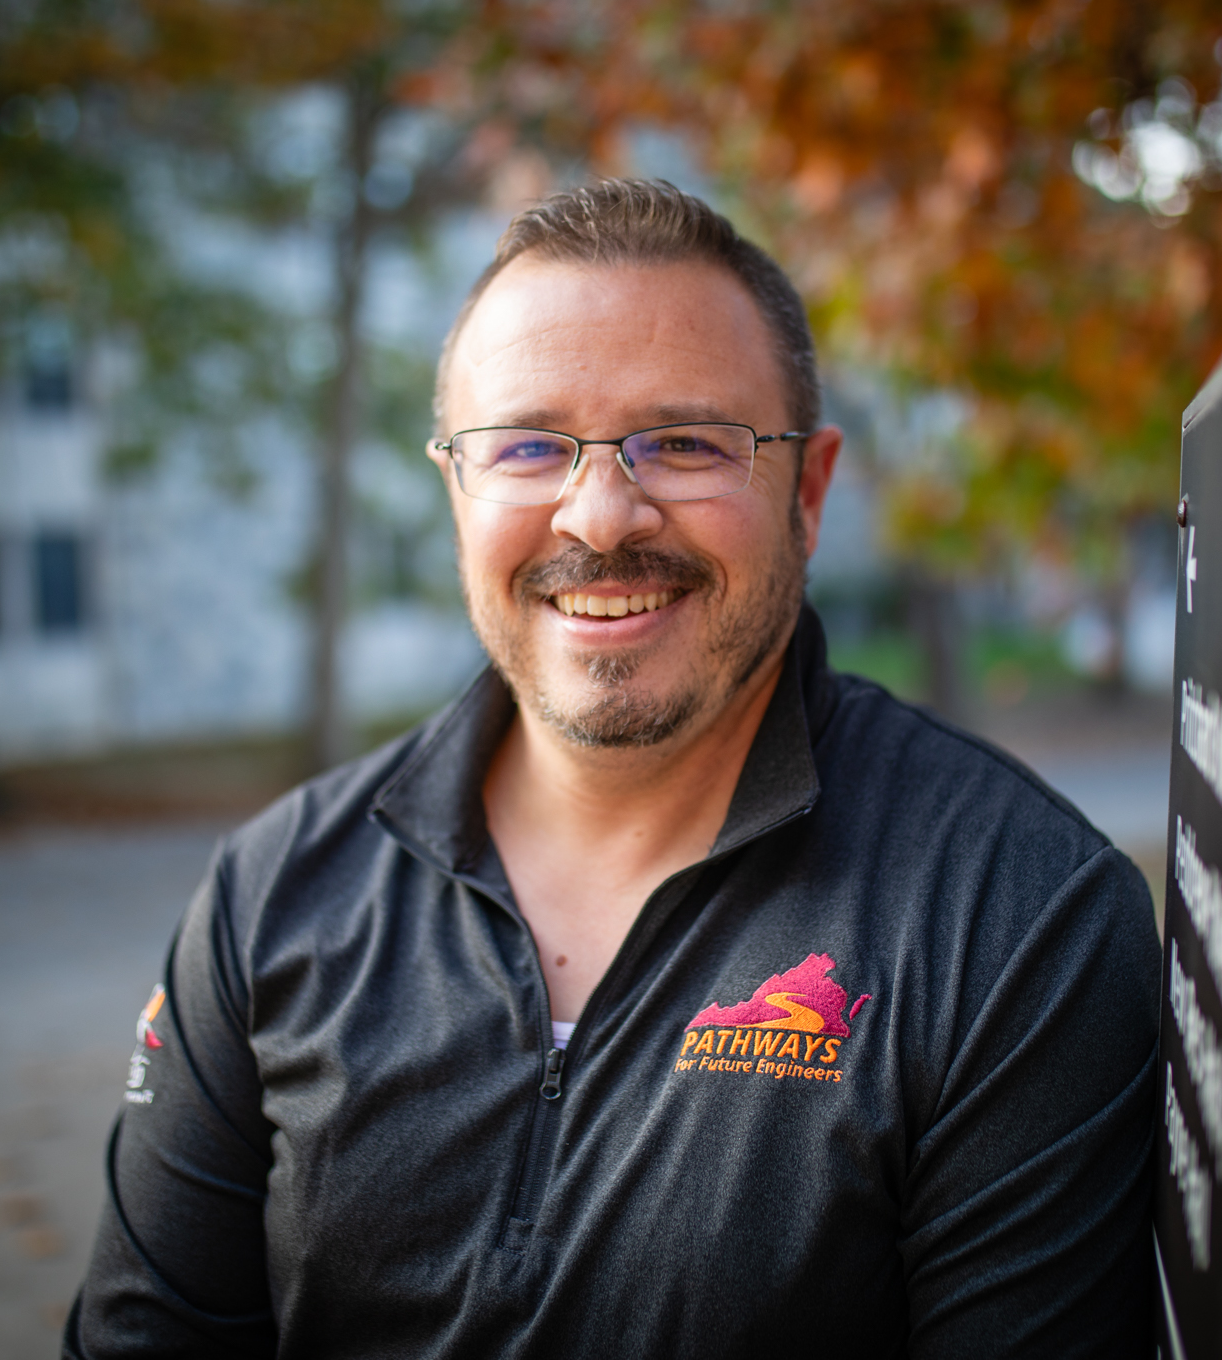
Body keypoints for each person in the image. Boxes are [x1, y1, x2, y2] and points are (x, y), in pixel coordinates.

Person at [66, 179, 1160, 1358]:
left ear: (807, 490)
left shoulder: (1018, 919)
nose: (598, 516)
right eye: (529, 446)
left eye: (685, 443)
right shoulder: (272, 894)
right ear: (455, 486)